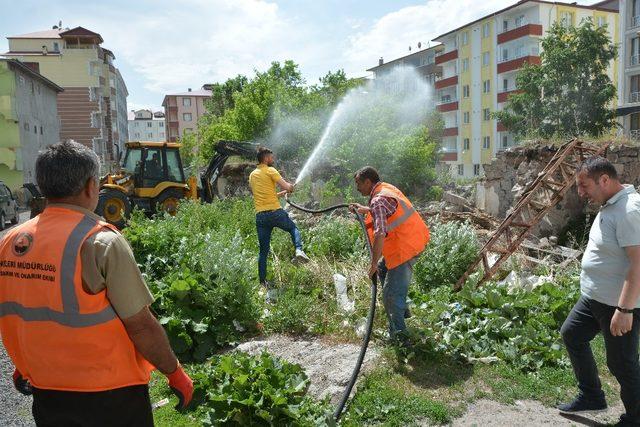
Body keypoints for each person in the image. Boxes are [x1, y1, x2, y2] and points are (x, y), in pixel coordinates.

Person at [0, 140, 193, 426]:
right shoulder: (101, 242)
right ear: (92, 186)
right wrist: (174, 372)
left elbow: (27, 308)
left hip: (47, 390)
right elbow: (140, 323)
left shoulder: (11, 242)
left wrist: (23, 365)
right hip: (111, 394)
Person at [558, 156, 640, 426]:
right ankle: (592, 395)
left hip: (618, 303)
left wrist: (625, 309)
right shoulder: (610, 205)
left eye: (584, 186)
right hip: (594, 297)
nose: (580, 193)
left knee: (622, 364)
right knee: (572, 334)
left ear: (604, 180)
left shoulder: (629, 210)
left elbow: (638, 264)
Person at [349, 166, 430, 343]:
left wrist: (371, 263)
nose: (357, 188)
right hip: (412, 239)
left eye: (359, 184)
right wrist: (366, 209)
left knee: (390, 295)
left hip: (405, 249)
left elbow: (379, 233)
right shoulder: (385, 189)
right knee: (382, 269)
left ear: (368, 182)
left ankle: (400, 338)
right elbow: (386, 210)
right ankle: (402, 311)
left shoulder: (378, 199)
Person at [248, 146, 309, 288]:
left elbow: (263, 194)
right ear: (265, 158)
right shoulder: (270, 170)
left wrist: (282, 193)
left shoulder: (252, 175)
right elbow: (287, 187)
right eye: (271, 156)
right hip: (275, 212)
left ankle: (262, 282)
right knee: (293, 228)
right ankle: (299, 250)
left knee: (263, 251)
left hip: (261, 217)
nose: (273, 159)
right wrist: (290, 188)